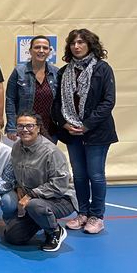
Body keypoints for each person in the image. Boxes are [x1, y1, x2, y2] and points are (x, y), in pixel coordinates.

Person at [52, 29, 117, 235]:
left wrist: (87, 125)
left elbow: (108, 102)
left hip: (97, 132)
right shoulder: (63, 72)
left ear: (90, 45)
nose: (76, 46)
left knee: (95, 175)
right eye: (73, 43)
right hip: (71, 132)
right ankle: (83, 213)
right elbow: (56, 104)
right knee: (79, 176)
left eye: (81, 42)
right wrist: (64, 123)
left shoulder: (102, 69)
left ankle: (97, 217)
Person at [4, 111, 78, 251]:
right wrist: (18, 186)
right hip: (32, 200)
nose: (25, 130)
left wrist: (31, 194)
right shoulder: (16, 147)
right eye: (20, 126)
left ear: (38, 128)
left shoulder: (51, 151)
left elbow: (59, 185)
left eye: (30, 126)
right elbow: (15, 173)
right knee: (13, 237)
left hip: (60, 199)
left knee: (35, 206)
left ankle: (55, 231)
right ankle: (42, 221)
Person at [5, 35, 59, 141]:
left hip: (50, 130)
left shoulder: (56, 73)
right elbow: (10, 100)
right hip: (25, 129)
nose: (41, 50)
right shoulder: (18, 71)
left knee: (47, 157)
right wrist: (11, 127)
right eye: (37, 47)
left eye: (45, 48)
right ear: (30, 50)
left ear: (49, 51)